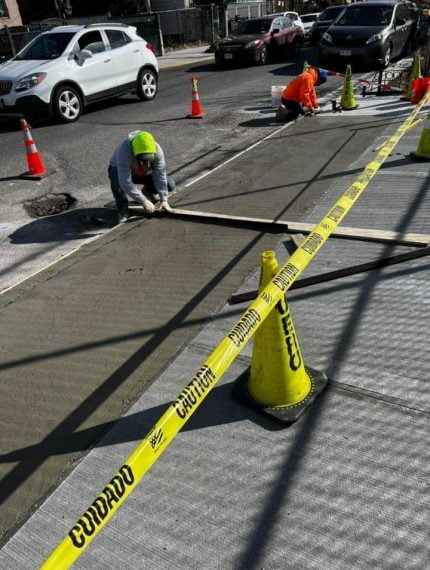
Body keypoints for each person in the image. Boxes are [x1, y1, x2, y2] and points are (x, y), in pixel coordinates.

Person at [109, 130, 176, 223]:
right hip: (122, 172)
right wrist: (143, 201)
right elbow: (124, 181)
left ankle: (148, 191)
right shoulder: (124, 150)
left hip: (143, 173)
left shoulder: (157, 150)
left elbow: (160, 175)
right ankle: (122, 208)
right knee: (117, 179)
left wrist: (164, 199)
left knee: (169, 184)